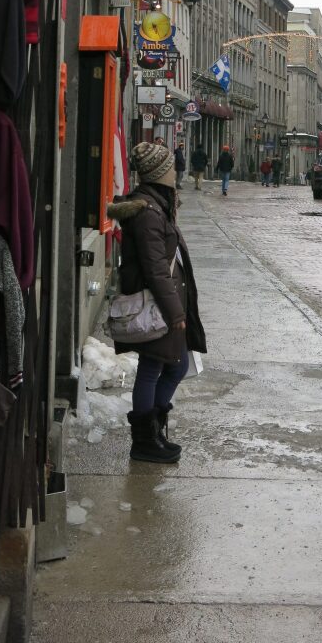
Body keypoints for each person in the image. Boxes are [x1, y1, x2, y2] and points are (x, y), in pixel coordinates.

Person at [108, 142, 206, 464]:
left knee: (174, 365)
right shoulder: (148, 212)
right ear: (158, 172)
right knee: (155, 368)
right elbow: (154, 268)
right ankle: (145, 441)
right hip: (158, 305)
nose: (174, 170)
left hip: (166, 302)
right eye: (169, 167)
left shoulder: (157, 204)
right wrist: (175, 311)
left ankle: (154, 433)